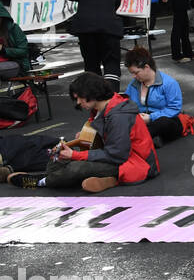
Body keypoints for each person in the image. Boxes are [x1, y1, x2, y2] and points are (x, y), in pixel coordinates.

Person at [7, 72, 158, 192]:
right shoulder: (105, 107)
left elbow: (117, 154)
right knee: (59, 159)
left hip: (136, 163)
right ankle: (110, 179)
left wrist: (76, 155)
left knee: (76, 167)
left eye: (79, 98)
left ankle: (42, 181)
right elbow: (108, 137)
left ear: (91, 93)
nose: (78, 102)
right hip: (123, 158)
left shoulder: (118, 116)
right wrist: (85, 138)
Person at [61, 0, 125, 91]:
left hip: (85, 27)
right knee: (111, 62)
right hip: (109, 26)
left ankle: (95, 95)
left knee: (91, 63)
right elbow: (117, 3)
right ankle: (112, 95)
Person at [123, 47, 185, 147]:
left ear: (147, 67)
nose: (134, 76)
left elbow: (174, 109)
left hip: (165, 120)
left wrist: (151, 117)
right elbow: (126, 101)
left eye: (136, 72)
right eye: (132, 73)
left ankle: (136, 140)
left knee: (163, 123)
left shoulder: (169, 83)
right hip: (142, 119)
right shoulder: (134, 84)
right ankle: (149, 139)